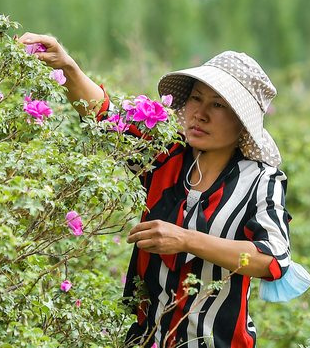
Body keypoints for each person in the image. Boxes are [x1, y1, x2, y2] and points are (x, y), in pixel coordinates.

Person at [20, 32, 292, 348]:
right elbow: (105, 113)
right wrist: (67, 67)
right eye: (196, 98)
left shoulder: (262, 180)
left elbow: (273, 259)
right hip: (145, 339)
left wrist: (186, 239)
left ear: (243, 122)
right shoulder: (165, 155)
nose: (200, 114)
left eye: (218, 104)